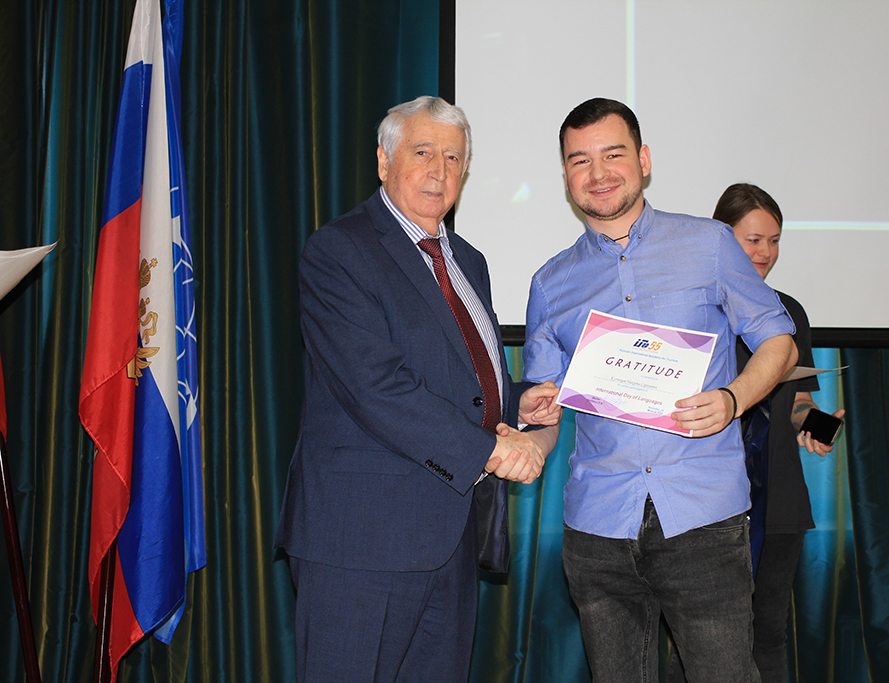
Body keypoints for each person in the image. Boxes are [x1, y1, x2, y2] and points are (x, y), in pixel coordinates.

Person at [275, 95, 561, 683]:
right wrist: (491, 450)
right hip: (361, 540)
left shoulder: (469, 261)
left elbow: (459, 376)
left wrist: (515, 399)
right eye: (423, 152)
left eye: (453, 158)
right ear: (384, 161)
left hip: (449, 538)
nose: (439, 170)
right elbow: (376, 387)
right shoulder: (341, 250)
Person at [522, 97, 798, 682]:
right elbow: (547, 412)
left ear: (643, 160)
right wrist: (531, 427)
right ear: (566, 175)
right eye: (580, 160)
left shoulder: (710, 243)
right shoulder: (550, 283)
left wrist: (733, 399)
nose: (598, 173)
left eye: (613, 154)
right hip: (598, 528)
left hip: (702, 517)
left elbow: (779, 342)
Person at [712, 183, 844, 683]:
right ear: (723, 238)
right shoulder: (699, 307)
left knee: (768, 633)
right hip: (712, 502)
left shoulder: (789, 312)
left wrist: (820, 427)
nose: (765, 252)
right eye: (753, 240)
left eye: (774, 241)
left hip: (779, 499)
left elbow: (799, 403)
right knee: (703, 638)